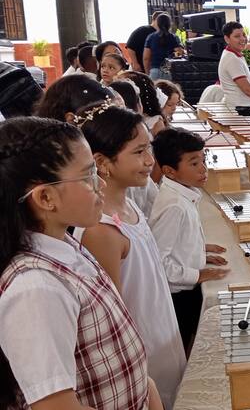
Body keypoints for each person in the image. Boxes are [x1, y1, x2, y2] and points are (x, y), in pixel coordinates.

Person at [0, 117, 163, 410]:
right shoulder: (36, 287)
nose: (100, 183)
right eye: (88, 176)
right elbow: (55, 406)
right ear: (46, 197)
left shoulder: (66, 245)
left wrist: (146, 386)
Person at [76, 104, 186, 409]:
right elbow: (111, 320)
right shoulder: (101, 231)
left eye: (148, 148)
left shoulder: (128, 206)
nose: (150, 161)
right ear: (102, 162)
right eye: (138, 153)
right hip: (142, 354)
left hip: (163, 332)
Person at [150, 128, 229, 352]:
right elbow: (158, 262)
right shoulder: (174, 205)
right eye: (194, 163)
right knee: (185, 344)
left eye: (203, 160)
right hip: (180, 296)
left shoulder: (182, 194)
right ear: (169, 171)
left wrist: (200, 251)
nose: (204, 169)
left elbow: (175, 242)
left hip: (186, 287)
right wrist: (198, 274)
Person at [218, 21, 250, 120]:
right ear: (227, 39)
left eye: (244, 35)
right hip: (240, 111)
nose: (242, 39)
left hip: (243, 109)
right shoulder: (232, 59)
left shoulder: (234, 55)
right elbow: (247, 89)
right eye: (237, 36)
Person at [143, 13, 184, 81]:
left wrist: (147, 73)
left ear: (158, 23)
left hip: (154, 71)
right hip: (168, 71)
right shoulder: (173, 37)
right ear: (169, 24)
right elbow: (180, 52)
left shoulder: (151, 37)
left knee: (156, 91)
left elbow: (146, 58)